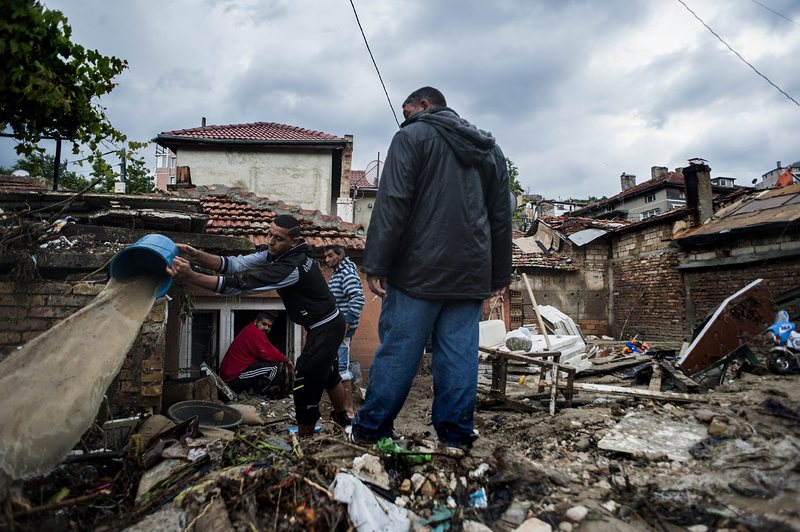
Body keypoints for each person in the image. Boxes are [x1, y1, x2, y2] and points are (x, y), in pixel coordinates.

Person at [349, 87, 512, 452]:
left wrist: (376, 262)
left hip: (417, 273)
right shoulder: (491, 151)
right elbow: (502, 217)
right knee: (459, 354)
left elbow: (392, 202)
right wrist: (500, 275)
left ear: (424, 105)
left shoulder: (412, 137)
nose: (405, 119)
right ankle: (455, 437)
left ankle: (372, 430)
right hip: (470, 274)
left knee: (399, 350)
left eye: (407, 111)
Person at [167, 214, 351, 437]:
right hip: (321, 323)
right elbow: (235, 264)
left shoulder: (290, 268)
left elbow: (239, 285)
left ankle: (306, 437)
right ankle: (343, 418)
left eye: (278, 238)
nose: (271, 241)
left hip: (327, 325)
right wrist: (195, 255)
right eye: (270, 234)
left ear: (294, 242)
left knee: (305, 380)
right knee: (329, 373)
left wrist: (191, 276)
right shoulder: (281, 253)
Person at [324, 244, 365, 419]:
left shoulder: (346, 272)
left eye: (330, 255)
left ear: (340, 256)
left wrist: (346, 324)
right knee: (337, 366)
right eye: (325, 256)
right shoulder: (339, 273)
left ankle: (348, 410)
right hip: (336, 328)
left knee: (342, 367)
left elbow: (358, 298)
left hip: (343, 330)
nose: (326, 259)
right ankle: (343, 408)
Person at [221, 311, 293, 398]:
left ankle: (252, 392)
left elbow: (267, 351)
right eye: (264, 324)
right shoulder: (254, 332)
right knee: (274, 367)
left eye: (269, 326)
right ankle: (258, 395)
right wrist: (287, 360)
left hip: (234, 376)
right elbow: (269, 353)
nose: (266, 328)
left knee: (270, 365)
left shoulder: (250, 330)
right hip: (233, 379)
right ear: (256, 322)